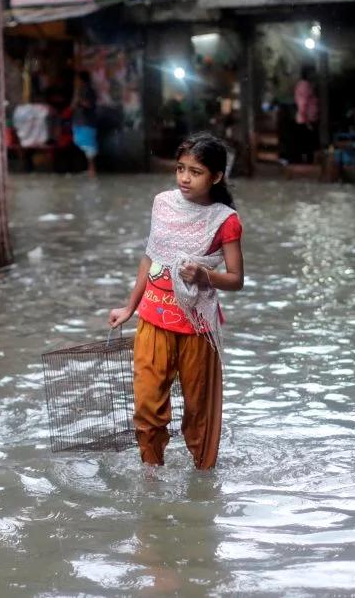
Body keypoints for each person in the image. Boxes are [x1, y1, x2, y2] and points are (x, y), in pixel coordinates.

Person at [108, 132, 245, 471]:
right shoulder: (163, 203)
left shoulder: (225, 220)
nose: (184, 177)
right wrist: (130, 306)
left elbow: (236, 279)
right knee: (147, 408)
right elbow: (150, 258)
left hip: (197, 326)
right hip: (153, 317)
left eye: (195, 171)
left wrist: (203, 277)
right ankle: (151, 477)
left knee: (200, 411)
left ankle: (202, 479)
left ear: (215, 177)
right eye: (180, 168)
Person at [72, 70, 99, 176]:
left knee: (89, 146)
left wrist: (80, 101)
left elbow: (89, 104)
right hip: (79, 122)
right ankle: (88, 168)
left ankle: (92, 168)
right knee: (81, 143)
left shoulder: (89, 90)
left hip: (87, 122)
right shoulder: (78, 91)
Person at [293, 64, 320, 164]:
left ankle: (307, 162)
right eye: (312, 72)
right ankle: (306, 164)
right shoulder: (304, 86)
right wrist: (307, 121)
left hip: (307, 119)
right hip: (306, 120)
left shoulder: (306, 85)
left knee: (307, 145)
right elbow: (302, 104)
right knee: (307, 145)